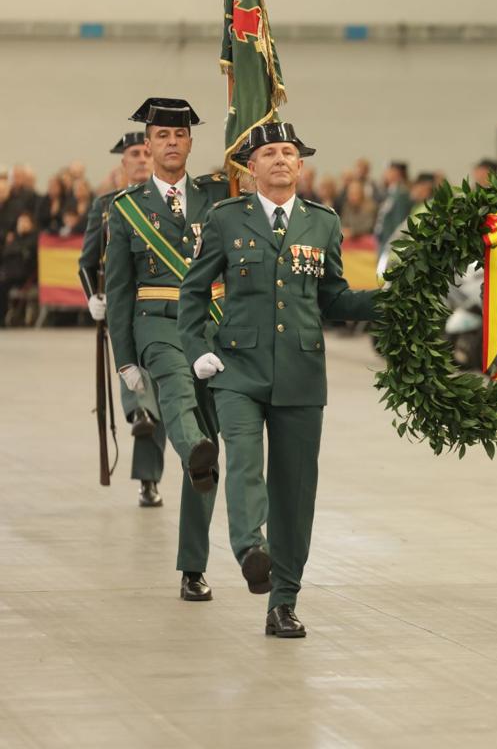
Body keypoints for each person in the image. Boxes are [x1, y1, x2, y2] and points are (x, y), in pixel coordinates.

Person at [179, 122, 380, 638]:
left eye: (289, 152)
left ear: (301, 165)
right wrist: (199, 349)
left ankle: (283, 601)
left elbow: (332, 298)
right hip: (237, 370)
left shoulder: (322, 223)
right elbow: (193, 293)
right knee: (244, 460)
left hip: (301, 373)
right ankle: (251, 549)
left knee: (295, 492)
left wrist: (389, 301)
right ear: (252, 168)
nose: (280, 160)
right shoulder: (226, 220)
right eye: (269, 153)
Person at [104, 97, 228, 600]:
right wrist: (125, 359)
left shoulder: (217, 197)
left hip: (214, 328)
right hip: (157, 324)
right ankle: (189, 449)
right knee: (176, 388)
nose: (171, 142)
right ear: (148, 145)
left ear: (191, 143)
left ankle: (192, 568)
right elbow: (118, 287)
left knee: (210, 452)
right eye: (162, 135)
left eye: (180, 135)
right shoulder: (127, 209)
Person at [78, 130, 166, 507]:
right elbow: (86, 262)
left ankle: (148, 479)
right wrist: (93, 298)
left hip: (163, 306)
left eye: (148, 152)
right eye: (135, 153)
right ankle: (137, 411)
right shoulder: (108, 206)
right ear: (123, 163)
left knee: (158, 390)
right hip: (123, 305)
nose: (143, 158)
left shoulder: (172, 202)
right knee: (136, 375)